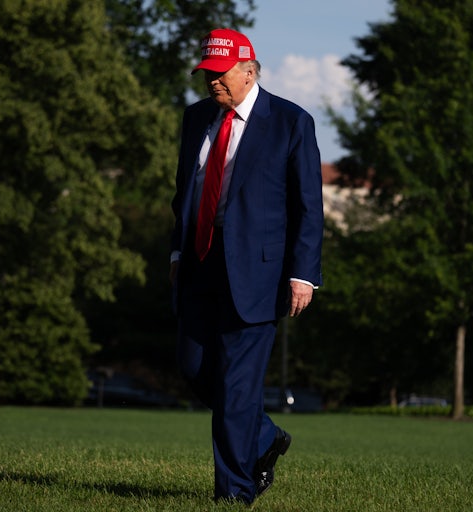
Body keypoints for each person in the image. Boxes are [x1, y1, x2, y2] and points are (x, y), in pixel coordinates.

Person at [169, 27, 323, 504]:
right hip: (199, 260)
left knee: (237, 387)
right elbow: (184, 193)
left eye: (220, 74)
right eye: (207, 74)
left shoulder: (290, 122)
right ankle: (264, 437)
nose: (212, 82)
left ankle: (234, 491)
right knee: (194, 367)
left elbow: (308, 206)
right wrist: (176, 251)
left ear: (248, 71)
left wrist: (304, 272)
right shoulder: (196, 119)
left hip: (258, 274)